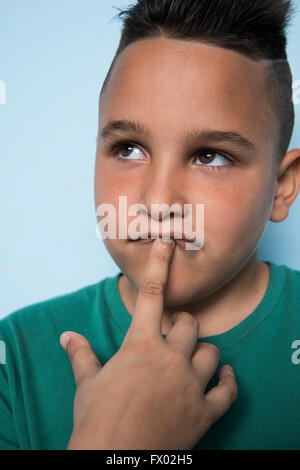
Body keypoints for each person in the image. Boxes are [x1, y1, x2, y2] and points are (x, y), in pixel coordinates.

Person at [1, 0, 300, 450]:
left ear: (281, 188)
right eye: (128, 149)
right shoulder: (15, 357)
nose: (158, 203)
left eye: (210, 156)